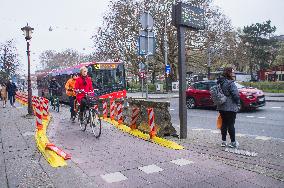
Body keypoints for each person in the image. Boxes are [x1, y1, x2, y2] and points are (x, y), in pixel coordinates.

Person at [217, 67, 240, 148]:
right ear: (229, 73)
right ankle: (233, 142)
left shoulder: (220, 82)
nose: (233, 74)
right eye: (232, 72)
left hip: (221, 106)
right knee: (231, 124)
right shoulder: (231, 83)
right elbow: (236, 95)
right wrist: (238, 103)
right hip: (230, 107)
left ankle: (223, 142)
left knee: (224, 124)